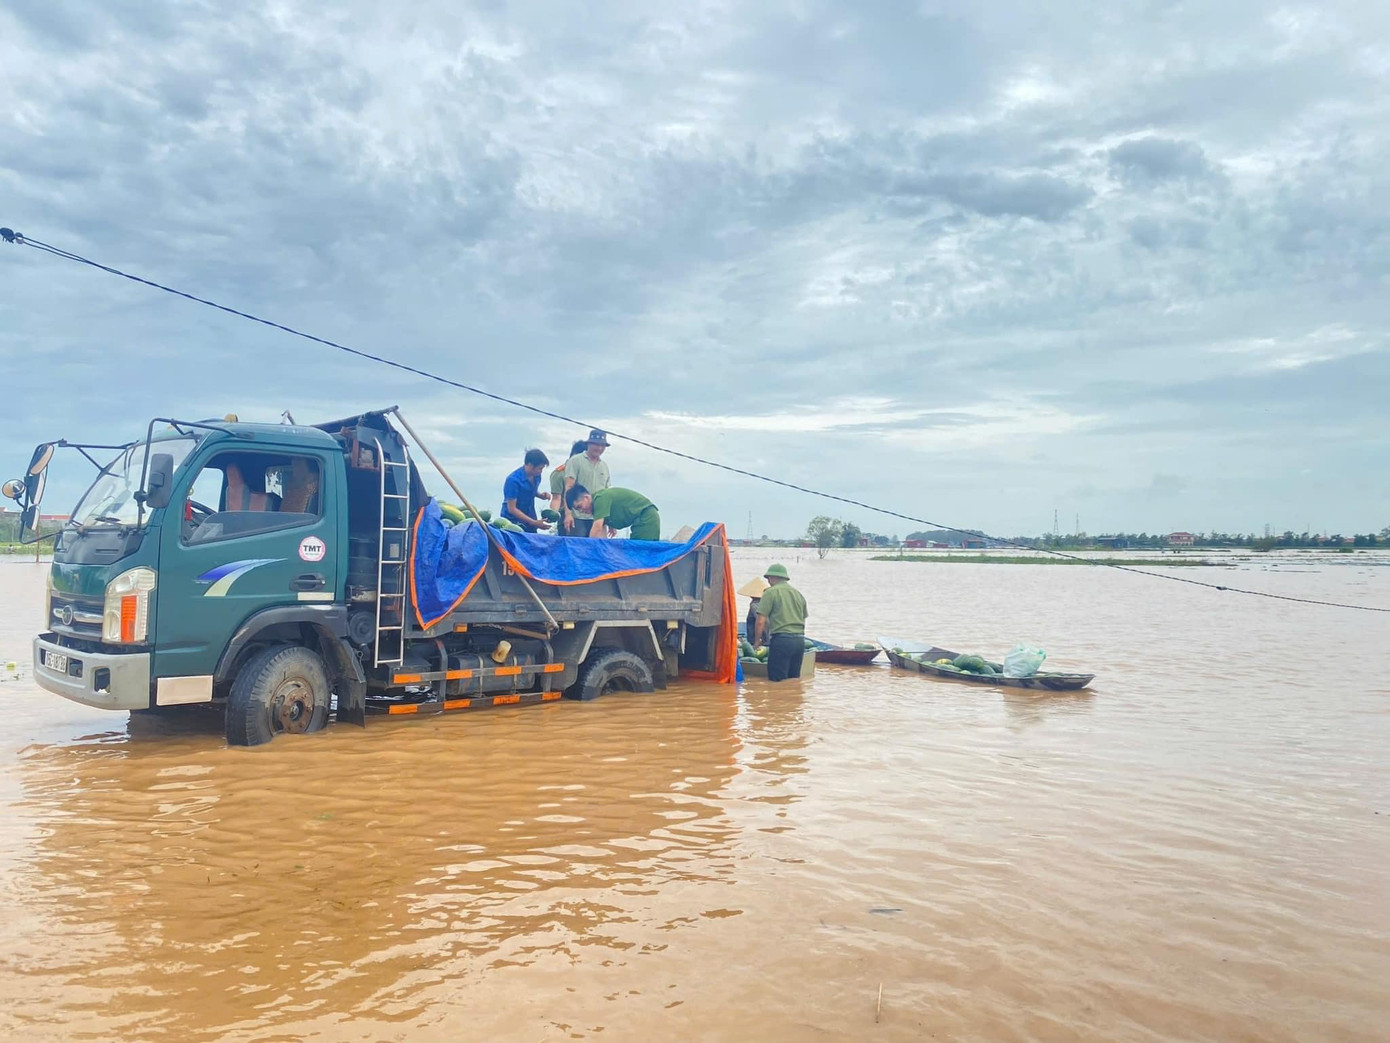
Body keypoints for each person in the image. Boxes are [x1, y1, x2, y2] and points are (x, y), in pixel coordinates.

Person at [752, 563, 808, 682]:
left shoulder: (770, 592)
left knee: (777, 682)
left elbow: (760, 621)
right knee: (793, 680)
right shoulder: (798, 594)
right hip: (800, 642)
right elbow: (803, 619)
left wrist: (757, 641)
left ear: (772, 578)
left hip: (782, 641)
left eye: (768, 579)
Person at [565, 485, 660, 541]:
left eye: (580, 507)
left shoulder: (600, 498)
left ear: (586, 498)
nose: (581, 511)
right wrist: (611, 525)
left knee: (641, 554)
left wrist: (589, 547)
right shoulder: (597, 507)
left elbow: (597, 527)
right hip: (641, 520)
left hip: (646, 517)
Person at [562, 429, 611, 536]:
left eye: (602, 446)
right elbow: (569, 487)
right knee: (578, 548)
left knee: (598, 548)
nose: (599, 448)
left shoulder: (604, 466)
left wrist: (610, 522)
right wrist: (568, 514)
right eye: (596, 445)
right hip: (578, 516)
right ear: (589, 444)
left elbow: (607, 493)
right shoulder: (575, 461)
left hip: (598, 516)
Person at [501, 449, 550, 532]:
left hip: (530, 516)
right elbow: (512, 509)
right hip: (513, 522)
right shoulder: (513, 481)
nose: (541, 471)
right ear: (530, 465)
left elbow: (530, 491)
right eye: (540, 468)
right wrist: (534, 522)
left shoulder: (536, 476)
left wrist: (540, 495)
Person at [549, 439, 589, 516]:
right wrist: (553, 515)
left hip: (589, 516)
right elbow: (556, 498)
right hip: (568, 517)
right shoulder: (559, 473)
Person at [737, 576, 769, 644]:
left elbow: (761, 622)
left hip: (759, 640)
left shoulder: (755, 605)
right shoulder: (766, 603)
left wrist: (760, 641)